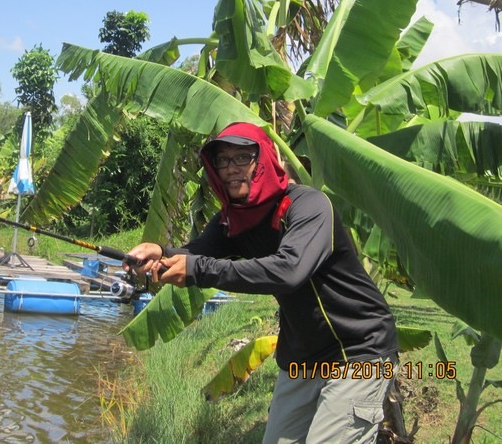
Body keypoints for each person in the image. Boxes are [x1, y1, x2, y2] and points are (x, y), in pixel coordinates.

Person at [126, 121, 399, 444]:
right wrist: (160, 253)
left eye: (242, 158)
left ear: (264, 160)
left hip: (359, 350)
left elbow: (288, 271)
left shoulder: (309, 207)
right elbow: (195, 254)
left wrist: (197, 268)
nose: (230, 169)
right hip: (303, 356)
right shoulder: (233, 218)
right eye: (223, 161)